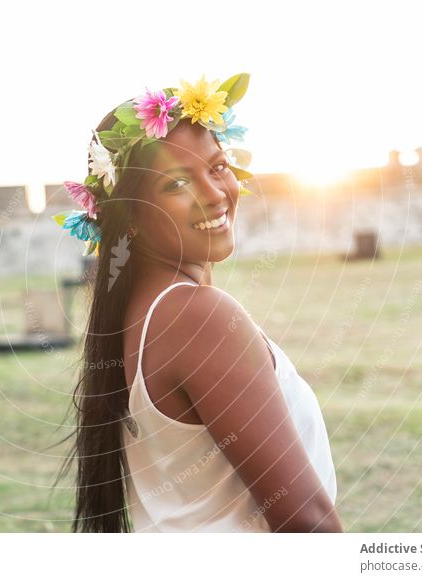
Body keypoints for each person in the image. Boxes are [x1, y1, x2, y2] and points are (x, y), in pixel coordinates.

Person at [54, 73, 341, 533]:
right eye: (176, 184)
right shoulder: (196, 317)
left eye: (218, 166)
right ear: (127, 217)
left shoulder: (139, 312)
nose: (213, 194)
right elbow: (307, 522)